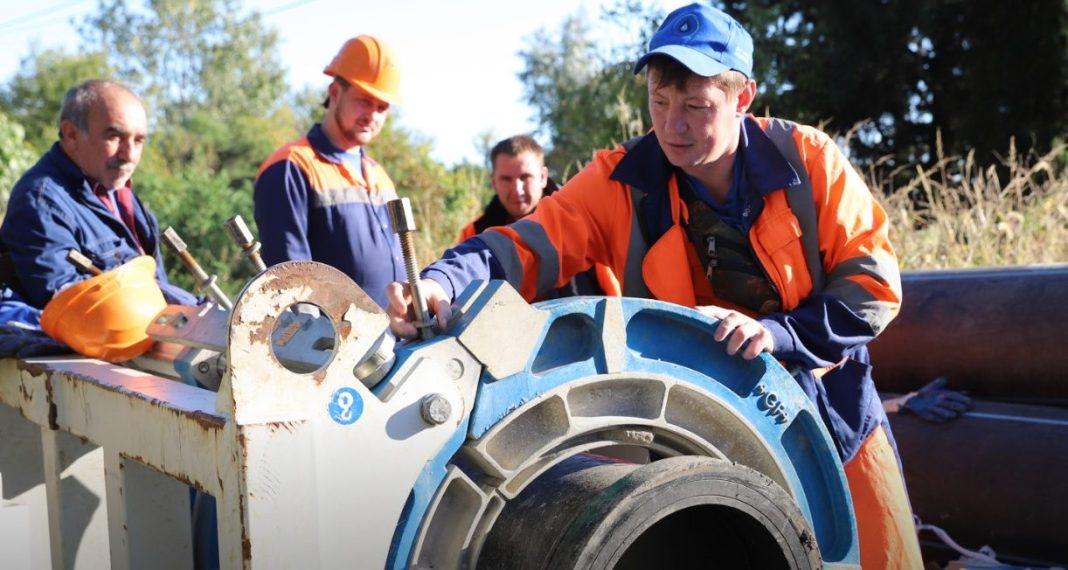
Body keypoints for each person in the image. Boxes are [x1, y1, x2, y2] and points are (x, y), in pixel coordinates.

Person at [387, 4, 921, 568]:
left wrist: (778, 335)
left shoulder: (809, 161)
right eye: (660, 104)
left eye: (696, 107)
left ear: (743, 98)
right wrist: (442, 281)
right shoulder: (620, 181)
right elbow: (522, 245)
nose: (673, 126)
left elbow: (873, 288)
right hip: (699, 434)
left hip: (834, 420)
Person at [0, 79, 196, 330]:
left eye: (138, 141)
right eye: (114, 137)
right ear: (71, 135)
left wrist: (198, 310)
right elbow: (68, 305)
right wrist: (190, 307)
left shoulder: (120, 194)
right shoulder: (40, 202)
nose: (130, 155)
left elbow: (155, 286)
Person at [254, 34, 405, 309]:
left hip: (396, 341)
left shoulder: (379, 175)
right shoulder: (291, 167)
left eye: (381, 107)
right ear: (335, 93)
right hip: (333, 345)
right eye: (364, 101)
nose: (372, 115)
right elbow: (292, 280)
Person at [461, 134, 614, 298]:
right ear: (493, 182)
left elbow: (614, 295)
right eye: (506, 179)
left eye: (525, 177)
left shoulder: (582, 219)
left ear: (543, 177)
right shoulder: (476, 233)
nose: (517, 190)